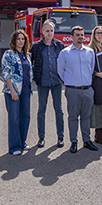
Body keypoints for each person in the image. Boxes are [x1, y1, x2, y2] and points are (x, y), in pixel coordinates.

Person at [57, 26, 98, 153]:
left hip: (87, 90)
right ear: (72, 37)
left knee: (86, 117)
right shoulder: (65, 53)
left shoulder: (90, 52)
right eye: (78, 35)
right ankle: (73, 142)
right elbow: (60, 71)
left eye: (82, 34)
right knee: (73, 117)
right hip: (73, 90)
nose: (81, 37)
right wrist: (70, 82)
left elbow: (91, 69)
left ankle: (87, 140)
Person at [29, 20, 66, 149]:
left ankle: (60, 137)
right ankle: (41, 137)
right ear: (42, 32)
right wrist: (34, 77)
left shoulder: (60, 45)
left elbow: (65, 62)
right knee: (41, 110)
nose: (50, 33)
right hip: (42, 83)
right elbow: (30, 62)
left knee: (59, 110)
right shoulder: (36, 46)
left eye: (51, 31)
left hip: (56, 82)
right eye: (47, 31)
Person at [2, 29, 33, 156]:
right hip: (13, 90)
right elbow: (5, 73)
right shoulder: (8, 54)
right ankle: (15, 146)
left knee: (25, 116)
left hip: (26, 89)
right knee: (14, 118)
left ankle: (22, 142)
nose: (21, 41)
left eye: (23, 39)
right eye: (18, 39)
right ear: (14, 41)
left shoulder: (27, 55)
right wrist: (12, 91)